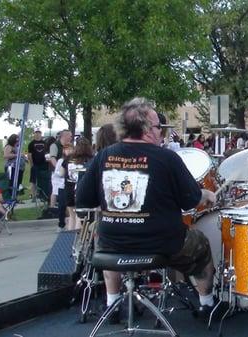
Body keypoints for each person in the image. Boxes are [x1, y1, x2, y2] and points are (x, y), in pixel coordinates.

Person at [76, 97, 217, 322]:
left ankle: (112, 304)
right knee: (201, 247)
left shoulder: (104, 155)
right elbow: (190, 200)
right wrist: (206, 194)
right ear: (146, 130)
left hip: (115, 242)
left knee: (103, 235)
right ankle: (207, 305)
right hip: (162, 243)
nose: (161, 131)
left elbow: (83, 199)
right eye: (158, 127)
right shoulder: (167, 158)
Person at [62, 137, 93, 230]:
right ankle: (78, 239)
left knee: (71, 216)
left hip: (69, 188)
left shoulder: (69, 158)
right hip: (82, 190)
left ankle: (70, 238)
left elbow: (61, 173)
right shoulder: (91, 159)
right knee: (80, 216)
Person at [28, 130, 49, 201]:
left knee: (43, 180)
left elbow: (47, 153)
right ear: (34, 135)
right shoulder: (31, 144)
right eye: (36, 134)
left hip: (44, 164)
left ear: (41, 134)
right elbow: (29, 155)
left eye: (39, 134)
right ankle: (33, 196)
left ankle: (42, 195)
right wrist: (31, 164)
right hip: (35, 164)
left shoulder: (44, 143)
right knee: (33, 180)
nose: (37, 135)